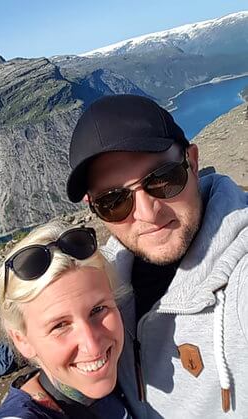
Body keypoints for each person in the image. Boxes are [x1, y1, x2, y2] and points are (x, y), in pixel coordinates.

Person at [66, 94, 248, 418]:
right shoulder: (103, 283)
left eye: (163, 179)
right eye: (114, 201)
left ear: (191, 163)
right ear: (94, 209)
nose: (148, 213)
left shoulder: (240, 284)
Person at [0, 222, 132, 418]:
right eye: (60, 325)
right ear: (22, 340)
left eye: (98, 309)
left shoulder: (123, 371)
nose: (92, 346)